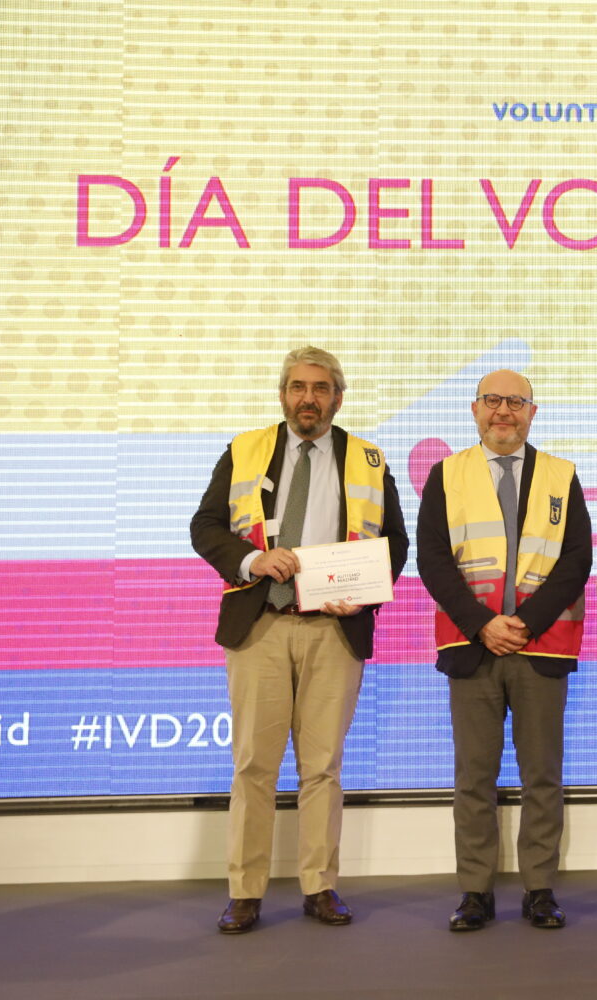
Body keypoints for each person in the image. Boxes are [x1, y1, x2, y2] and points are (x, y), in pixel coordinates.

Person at [190, 346, 408, 934]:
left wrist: (363, 593)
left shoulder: (368, 457)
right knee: (254, 766)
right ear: (283, 394)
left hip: (334, 629)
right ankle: (245, 891)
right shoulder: (244, 450)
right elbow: (205, 528)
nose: (307, 398)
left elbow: (396, 544)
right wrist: (254, 560)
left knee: (323, 768)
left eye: (320, 388)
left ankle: (320, 885)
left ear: (338, 397)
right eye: (297, 387)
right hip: (258, 623)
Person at [415, 370, 591, 932]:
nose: (504, 412)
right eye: (493, 401)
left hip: (542, 646)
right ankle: (475, 892)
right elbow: (434, 561)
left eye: (516, 402)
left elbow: (576, 560)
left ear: (532, 412)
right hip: (473, 648)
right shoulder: (447, 475)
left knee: (543, 775)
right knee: (474, 778)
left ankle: (540, 889)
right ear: (475, 410)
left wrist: (526, 622)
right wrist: (483, 624)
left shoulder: (563, 476)